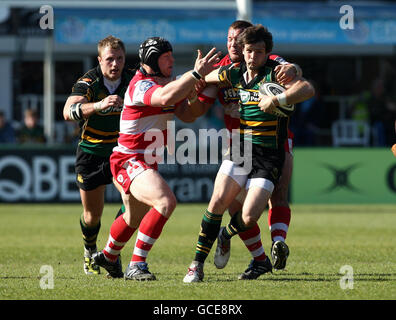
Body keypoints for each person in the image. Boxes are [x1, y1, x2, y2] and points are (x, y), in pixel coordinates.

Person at [184, 24, 315, 282]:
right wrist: (194, 78)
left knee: (249, 215)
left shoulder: (274, 74)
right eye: (248, 51)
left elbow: (307, 89)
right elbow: (203, 80)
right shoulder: (233, 72)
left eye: (258, 51)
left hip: (269, 154)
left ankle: (226, 234)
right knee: (217, 201)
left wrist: (277, 100)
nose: (252, 56)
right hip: (241, 148)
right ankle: (196, 265)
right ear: (242, 51)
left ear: (266, 53)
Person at [91, 37, 221, 280]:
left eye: (171, 55)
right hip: (128, 159)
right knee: (165, 202)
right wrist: (193, 75)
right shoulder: (141, 84)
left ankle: (108, 256)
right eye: (166, 57)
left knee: (132, 217)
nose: (172, 60)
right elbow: (162, 98)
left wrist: (196, 93)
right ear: (152, 59)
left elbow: (188, 115)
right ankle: (136, 265)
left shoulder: (170, 82)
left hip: (145, 161)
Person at [63, 35, 135, 275]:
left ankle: (110, 254)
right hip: (91, 153)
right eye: (110, 59)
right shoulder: (89, 81)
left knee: (134, 204)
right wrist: (99, 105)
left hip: (121, 153)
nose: (115, 64)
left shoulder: (133, 79)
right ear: (99, 60)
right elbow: (68, 111)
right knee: (92, 215)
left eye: (120, 59)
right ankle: (89, 252)